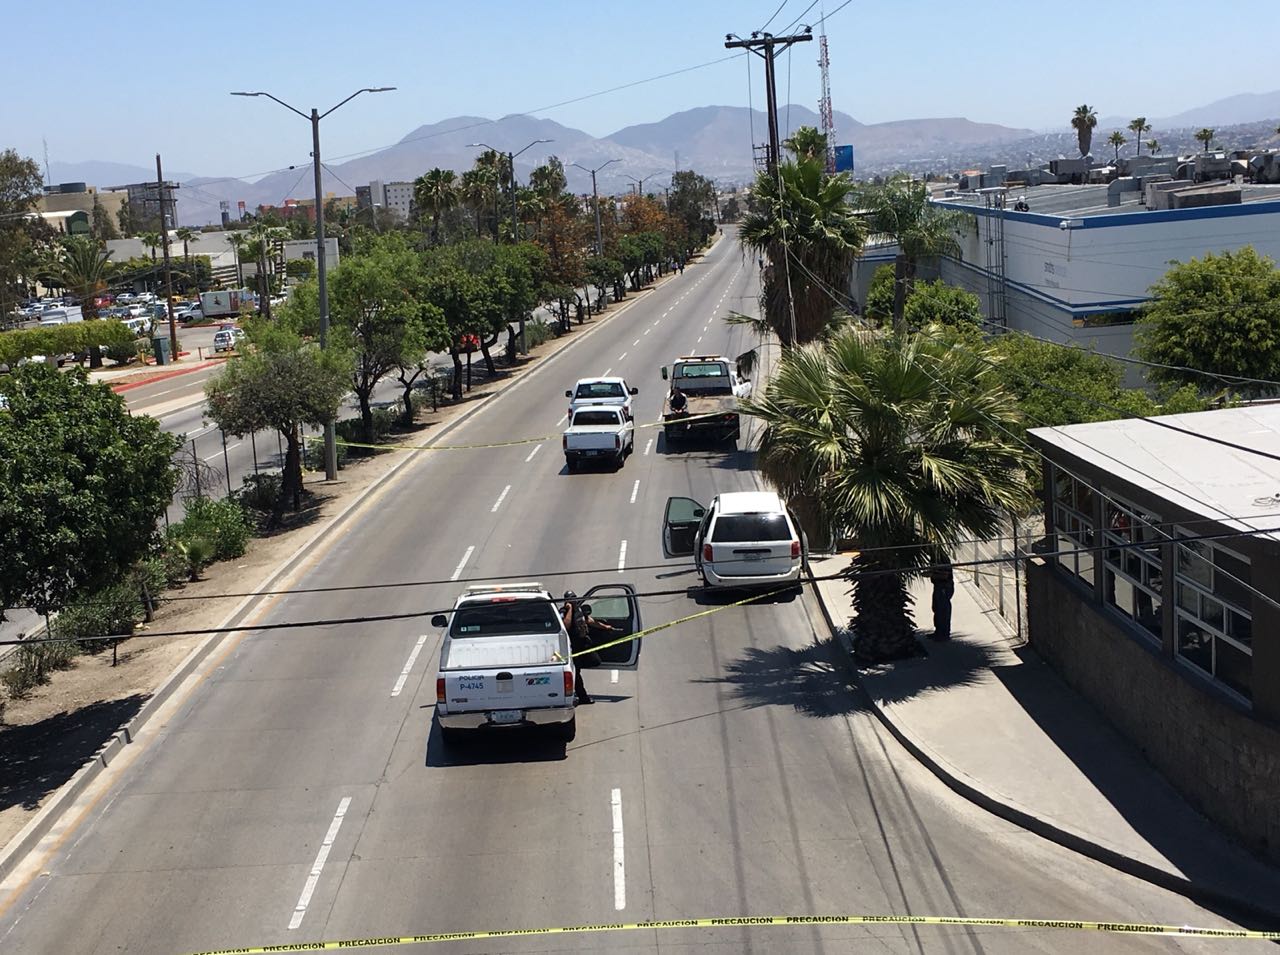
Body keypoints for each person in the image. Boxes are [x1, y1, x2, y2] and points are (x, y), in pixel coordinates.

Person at [561, 591, 620, 705]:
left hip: (583, 644)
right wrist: (569, 610)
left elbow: (589, 621)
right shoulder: (564, 612)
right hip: (573, 647)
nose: (573, 601)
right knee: (576, 673)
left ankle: (576, 669)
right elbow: (565, 626)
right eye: (570, 599)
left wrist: (605, 627)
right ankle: (583, 697)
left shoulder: (579, 610)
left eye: (574, 598)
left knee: (595, 661)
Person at [929, 560, 955, 641]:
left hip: (944, 587)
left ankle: (944, 633)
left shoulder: (943, 559)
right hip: (937, 586)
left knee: (943, 610)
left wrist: (932, 574)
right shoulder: (933, 557)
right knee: (936, 608)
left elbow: (946, 576)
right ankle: (938, 631)